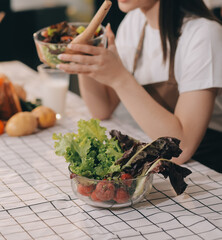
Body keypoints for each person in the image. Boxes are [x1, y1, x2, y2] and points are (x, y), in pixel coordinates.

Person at [57, 0, 222, 173]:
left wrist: (119, 78)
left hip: (208, 161)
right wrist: (84, 60)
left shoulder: (204, 34)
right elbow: (102, 109)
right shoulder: (134, 22)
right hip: (163, 155)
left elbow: (182, 149)